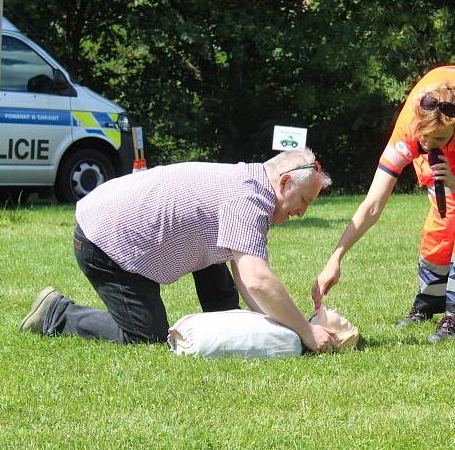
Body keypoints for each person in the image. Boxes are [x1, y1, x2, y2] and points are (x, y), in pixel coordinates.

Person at [19, 147, 340, 353]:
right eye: (303, 201)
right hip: (104, 244)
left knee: (217, 261)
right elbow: (256, 280)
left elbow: (242, 277)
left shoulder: (247, 183)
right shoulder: (249, 200)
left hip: (111, 225)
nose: (302, 212)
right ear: (283, 183)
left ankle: (223, 320)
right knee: (145, 336)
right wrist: (305, 331)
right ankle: (56, 314)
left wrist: (268, 328)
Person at [312, 64, 455, 342]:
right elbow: (373, 204)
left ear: (454, 127)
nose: (434, 148)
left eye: (440, 141)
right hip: (439, 126)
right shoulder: (411, 127)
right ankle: (428, 303)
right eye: (426, 142)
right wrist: (335, 258)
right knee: (442, 214)